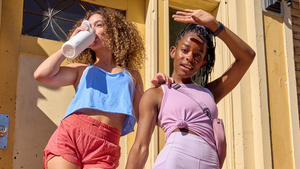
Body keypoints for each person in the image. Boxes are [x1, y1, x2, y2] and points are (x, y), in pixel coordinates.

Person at [34, 7, 171, 169]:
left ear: (114, 32)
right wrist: (70, 45)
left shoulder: (132, 76)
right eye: (88, 26)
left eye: (98, 25)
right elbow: (42, 75)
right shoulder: (82, 70)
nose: (91, 30)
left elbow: (144, 117)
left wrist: (158, 91)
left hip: (105, 147)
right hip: (70, 136)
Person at [125, 9, 255, 169]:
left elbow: (247, 57)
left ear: (203, 64)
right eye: (185, 50)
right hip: (174, 162)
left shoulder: (209, 92)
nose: (189, 57)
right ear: (173, 51)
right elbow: (140, 147)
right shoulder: (156, 94)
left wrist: (216, 26)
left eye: (198, 55)